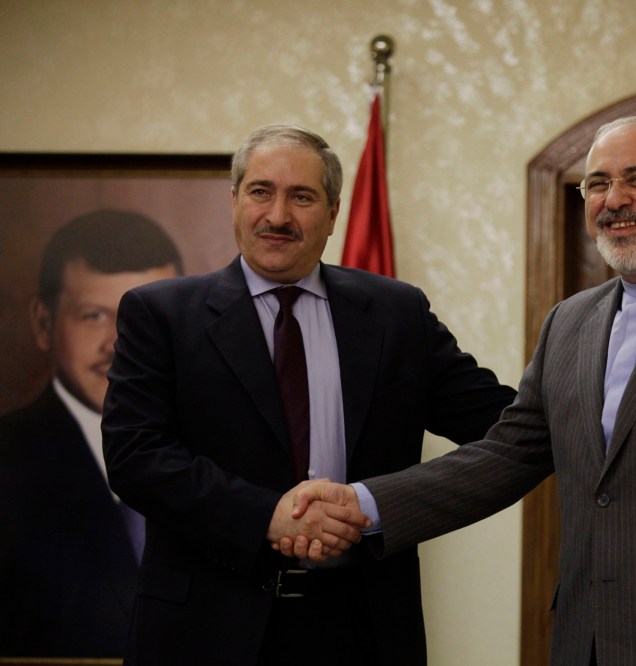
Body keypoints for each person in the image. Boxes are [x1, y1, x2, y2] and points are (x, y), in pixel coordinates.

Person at [287, 115, 636, 666]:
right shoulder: (570, 322)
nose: (613, 198)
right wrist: (361, 503)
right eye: (597, 183)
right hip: (585, 641)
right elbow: (508, 454)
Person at [101, 124, 516, 665]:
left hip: (361, 626)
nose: (278, 216)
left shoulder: (395, 314)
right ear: (234, 201)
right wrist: (265, 515)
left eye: (302, 196)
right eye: (260, 192)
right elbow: (136, 459)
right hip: (206, 627)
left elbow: (504, 425)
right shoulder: (160, 314)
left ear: (333, 213)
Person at [0, 209, 182, 658]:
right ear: (44, 323)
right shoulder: (7, 459)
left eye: (148, 317)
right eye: (95, 315)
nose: (121, 344)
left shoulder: (221, 451)